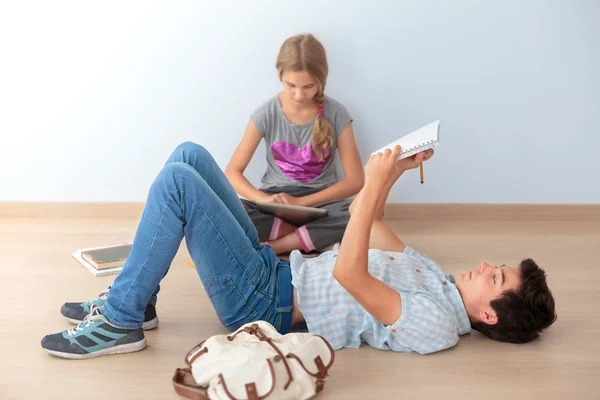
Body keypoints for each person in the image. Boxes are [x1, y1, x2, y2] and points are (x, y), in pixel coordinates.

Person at [41, 142, 556, 359]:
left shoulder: (437, 327)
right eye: (498, 266)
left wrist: (372, 182)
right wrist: (392, 173)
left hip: (265, 304)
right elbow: (368, 222)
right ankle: (139, 300)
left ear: (489, 313)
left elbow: (352, 276)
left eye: (496, 278)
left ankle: (120, 320)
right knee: (190, 156)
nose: (487, 267)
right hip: (274, 269)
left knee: (178, 183)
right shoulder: (435, 277)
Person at [224, 34, 365, 255]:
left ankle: (277, 245)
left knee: (364, 210)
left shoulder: (337, 113)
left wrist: (302, 203)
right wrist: (265, 200)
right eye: (291, 85)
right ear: (280, 76)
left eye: (308, 86)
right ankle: (308, 236)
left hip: (321, 203)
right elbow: (232, 173)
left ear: (321, 79)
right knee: (229, 211)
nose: (299, 95)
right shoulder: (265, 113)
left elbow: (356, 180)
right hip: (275, 202)